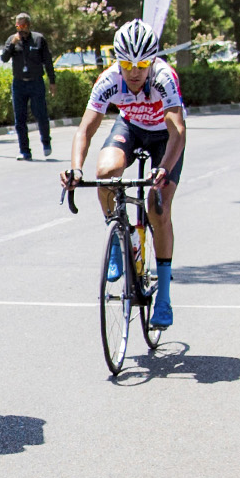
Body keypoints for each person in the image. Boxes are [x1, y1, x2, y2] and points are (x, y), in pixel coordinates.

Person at [63, 19, 187, 330]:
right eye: (127, 64)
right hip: (131, 127)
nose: (134, 72)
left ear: (152, 61)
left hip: (165, 137)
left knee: (158, 208)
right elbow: (85, 129)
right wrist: (76, 168)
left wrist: (164, 168)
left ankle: (164, 297)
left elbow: (178, 131)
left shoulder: (164, 78)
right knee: (105, 173)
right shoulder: (109, 79)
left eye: (142, 64)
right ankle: (121, 238)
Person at [3, 13, 56, 159]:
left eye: (24, 25)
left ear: (29, 25)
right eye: (18, 26)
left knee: (41, 114)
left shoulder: (38, 39)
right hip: (19, 83)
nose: (21, 29)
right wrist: (11, 44)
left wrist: (52, 81)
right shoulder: (12, 40)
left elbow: (48, 61)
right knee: (20, 118)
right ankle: (25, 150)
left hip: (36, 82)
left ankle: (46, 142)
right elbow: (4, 58)